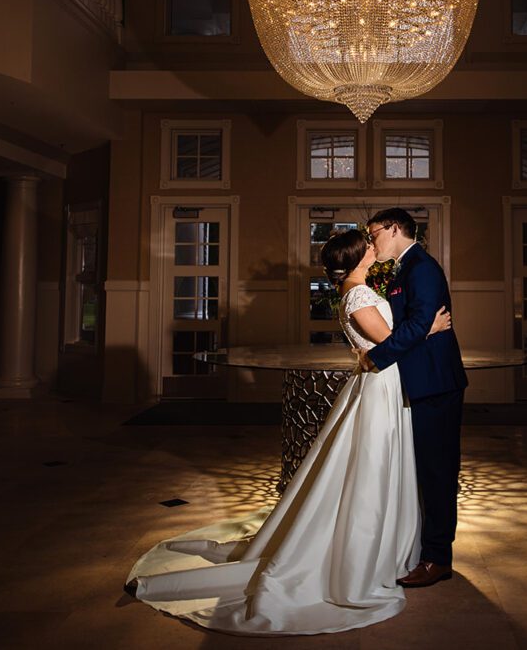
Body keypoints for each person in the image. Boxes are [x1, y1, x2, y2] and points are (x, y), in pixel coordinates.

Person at [124, 228, 452, 636]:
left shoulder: (363, 287)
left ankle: (389, 545)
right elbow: (389, 342)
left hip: (384, 384)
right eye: (368, 245)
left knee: (377, 467)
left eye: (374, 240)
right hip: (378, 387)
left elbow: (387, 340)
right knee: (369, 468)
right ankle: (361, 554)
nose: (374, 246)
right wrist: (432, 329)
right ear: (355, 257)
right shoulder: (356, 294)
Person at [359, 207, 467, 588]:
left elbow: (420, 322)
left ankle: (438, 559)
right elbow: (419, 325)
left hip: (436, 383)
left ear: (393, 228)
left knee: (438, 473)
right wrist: (423, 328)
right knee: (425, 472)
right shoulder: (406, 268)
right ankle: (426, 550)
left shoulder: (421, 266)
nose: (372, 242)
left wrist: (375, 357)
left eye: (374, 234)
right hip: (420, 381)